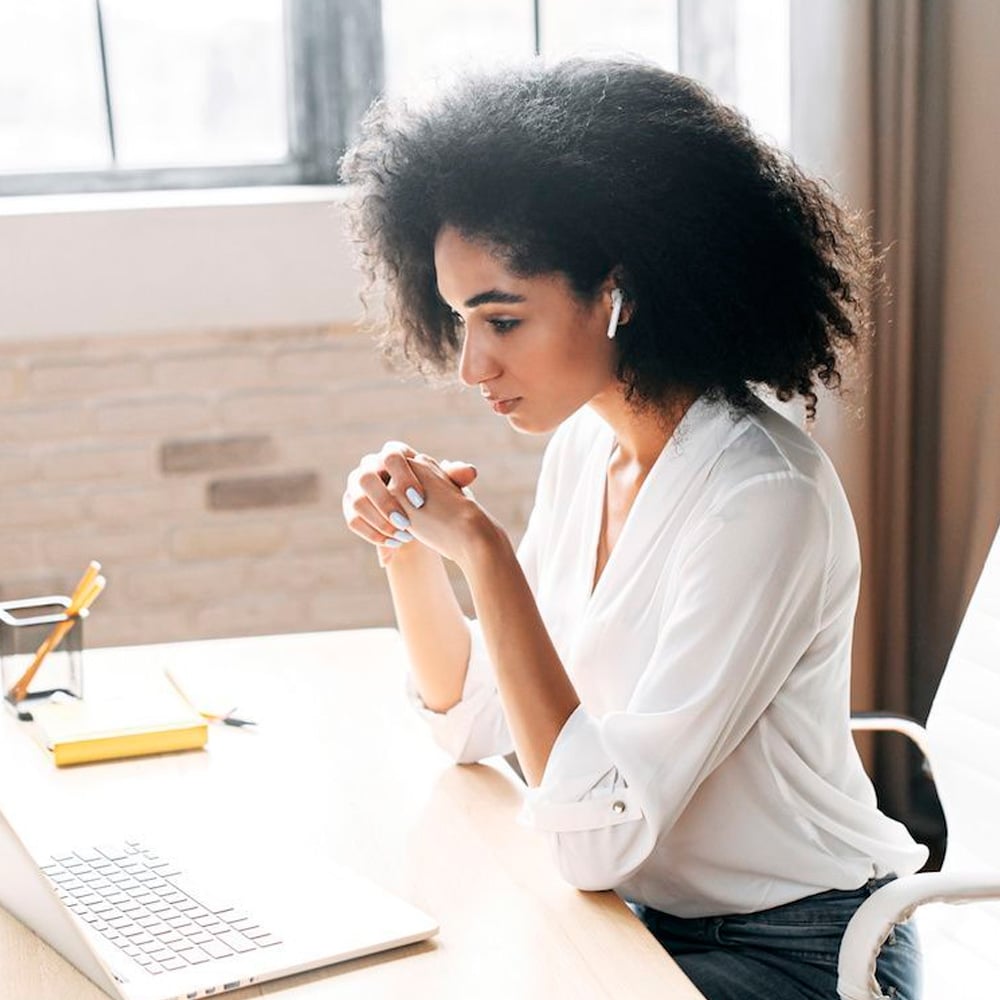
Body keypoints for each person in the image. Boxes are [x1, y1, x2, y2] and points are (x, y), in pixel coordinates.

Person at [339, 59, 927, 1000]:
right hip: (646, 927)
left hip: (810, 953)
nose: (471, 366)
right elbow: (475, 722)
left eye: (503, 319)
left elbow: (597, 838)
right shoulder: (588, 450)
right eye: (459, 321)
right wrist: (407, 546)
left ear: (618, 291)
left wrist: (486, 554)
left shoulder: (759, 497)